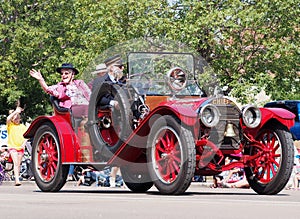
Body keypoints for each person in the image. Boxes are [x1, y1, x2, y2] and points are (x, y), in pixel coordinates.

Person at [6, 106, 28, 186]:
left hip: (20, 147)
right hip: (12, 147)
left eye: (17, 119)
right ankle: (17, 180)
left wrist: (24, 144)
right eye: (14, 119)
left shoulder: (23, 127)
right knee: (15, 163)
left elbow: (27, 136)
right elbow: (8, 119)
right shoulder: (10, 126)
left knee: (18, 164)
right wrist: (16, 112)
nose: (16, 120)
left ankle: (17, 176)